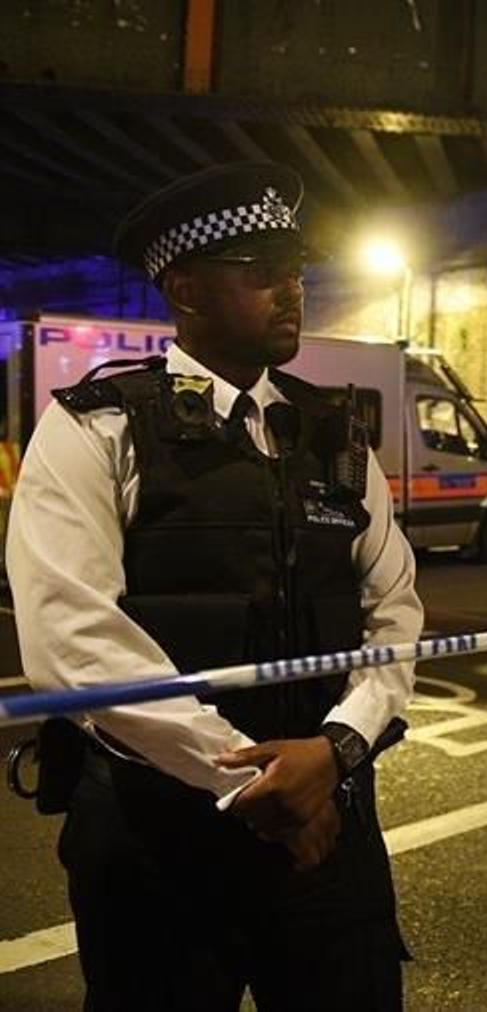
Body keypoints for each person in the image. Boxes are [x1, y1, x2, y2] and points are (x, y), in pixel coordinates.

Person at [5, 162, 423, 1007]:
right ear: (185, 289)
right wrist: (246, 781)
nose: (291, 289)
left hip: (328, 818)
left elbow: (394, 613)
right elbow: (72, 644)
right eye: (260, 271)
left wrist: (337, 748)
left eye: (296, 269)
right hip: (159, 839)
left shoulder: (335, 434)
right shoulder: (98, 428)